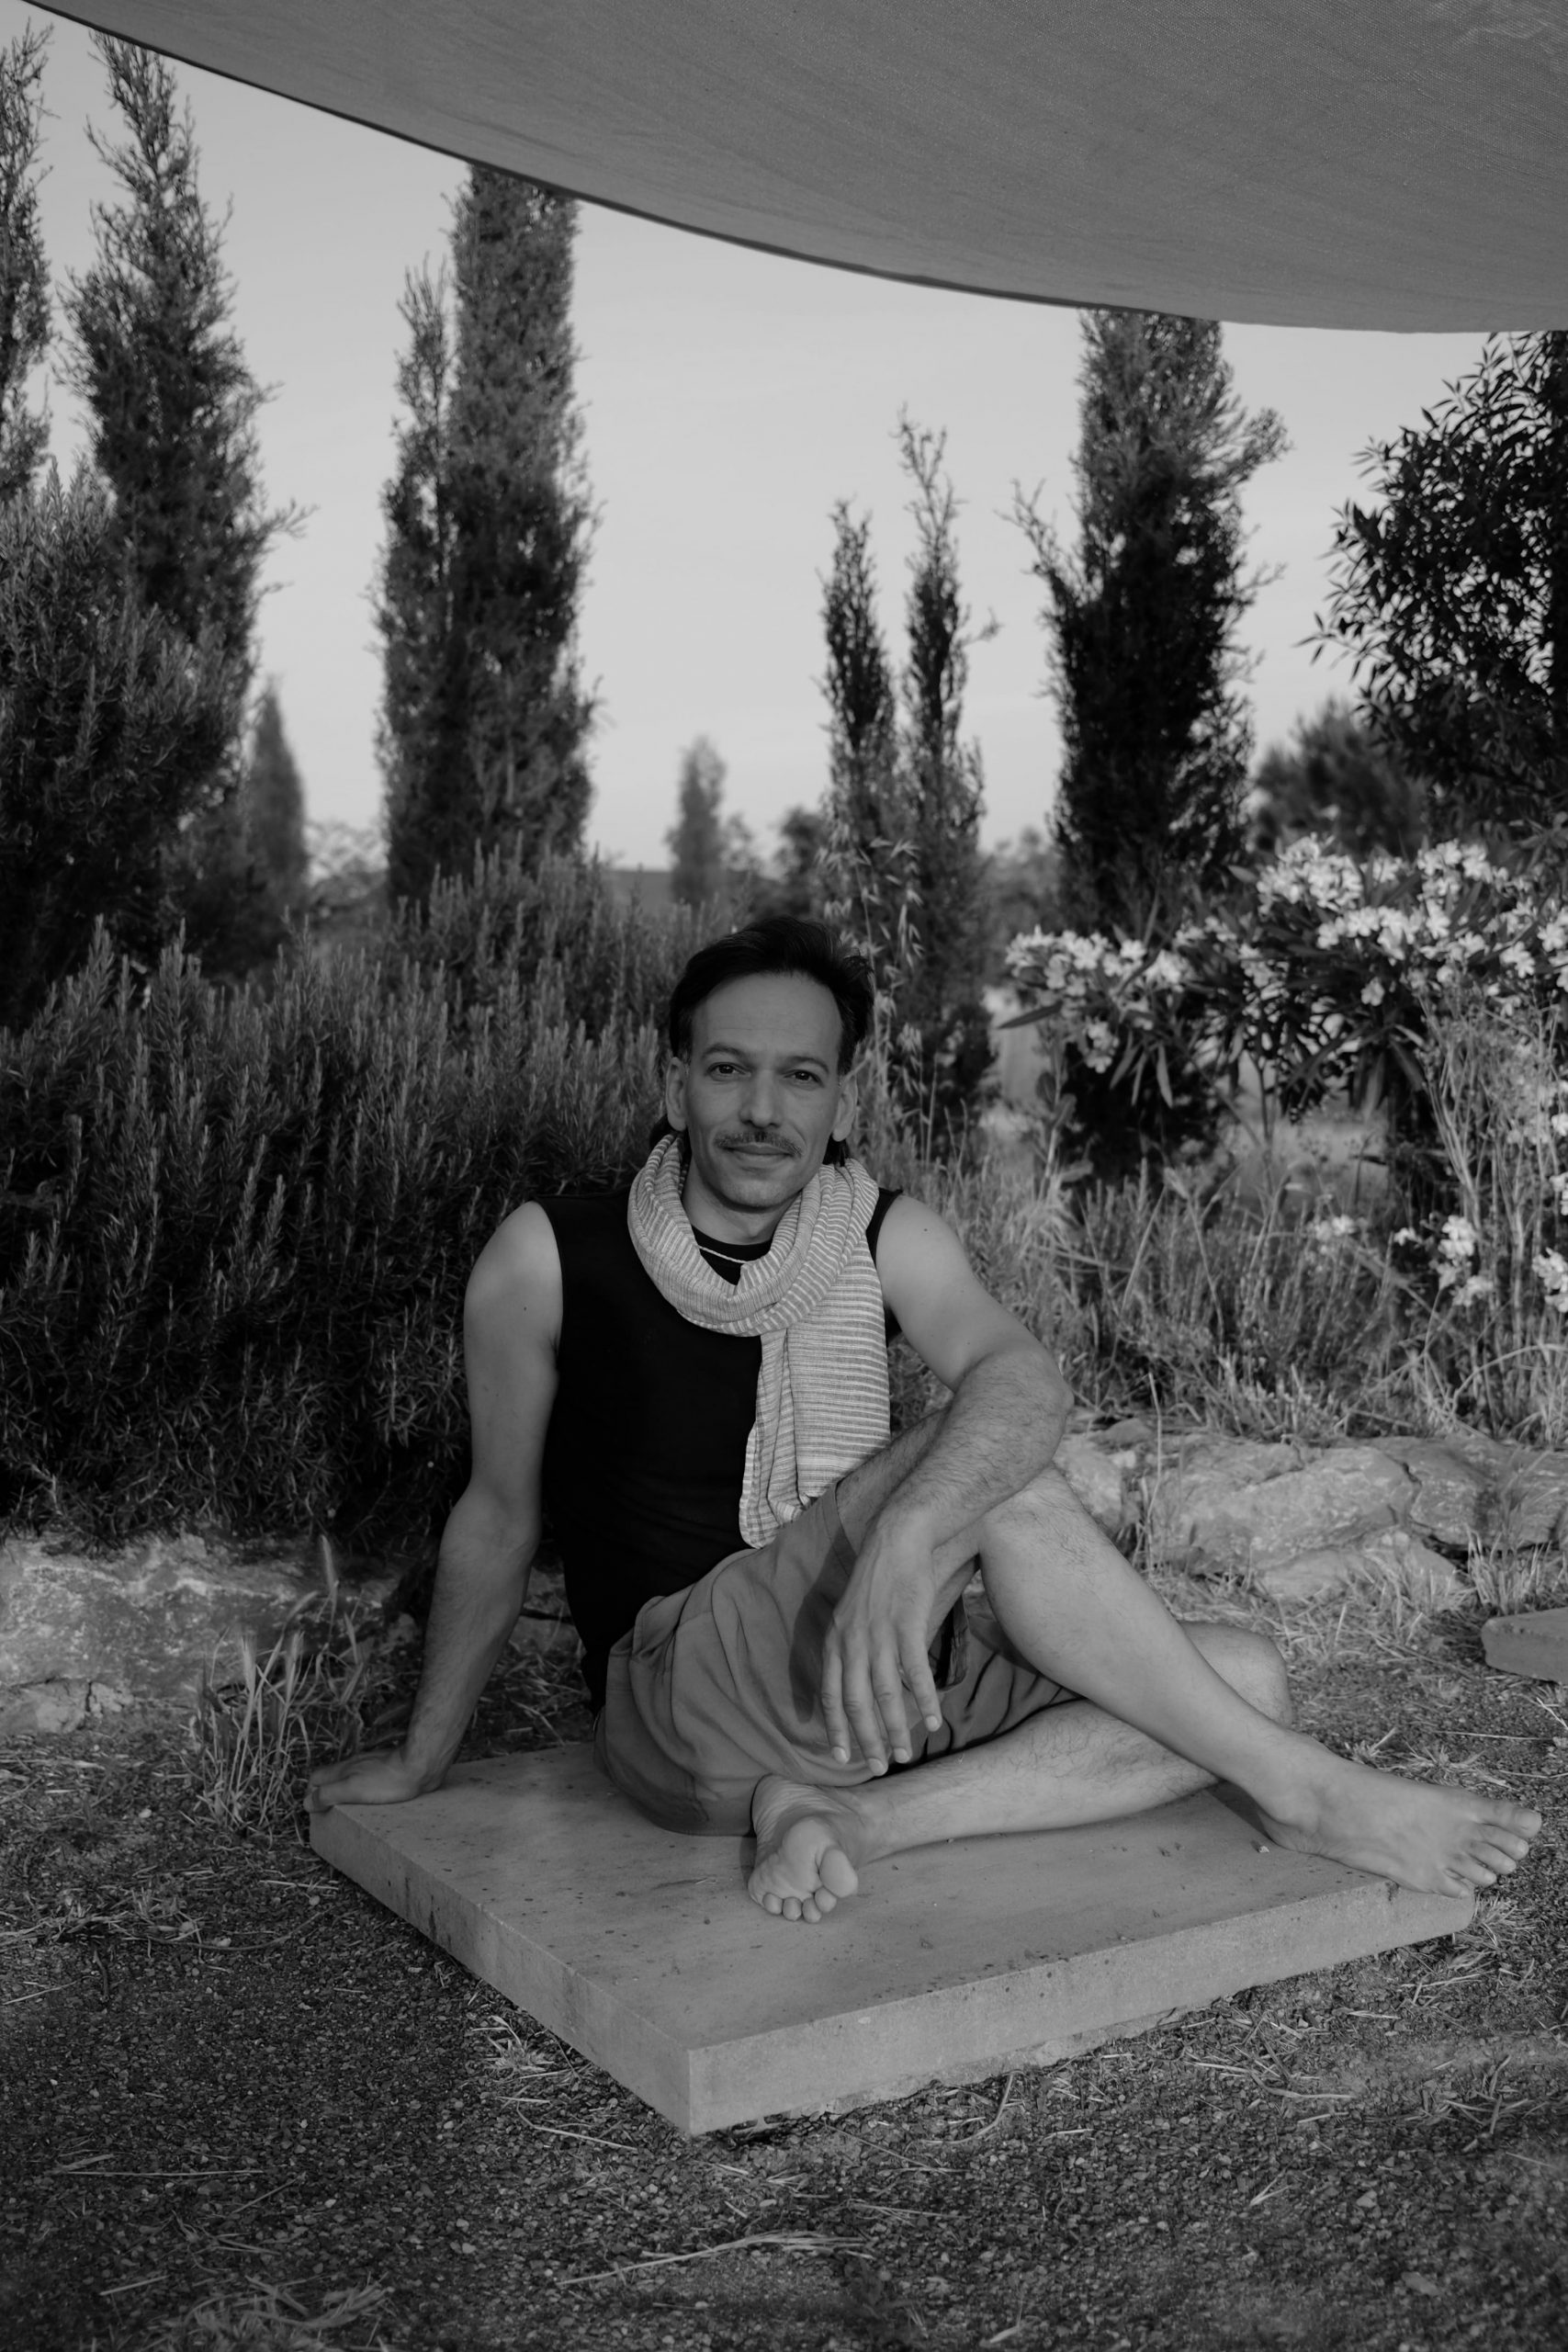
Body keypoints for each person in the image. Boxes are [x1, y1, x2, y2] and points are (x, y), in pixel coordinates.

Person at [308, 918, 1540, 1925]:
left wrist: (904, 1544)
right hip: (684, 1696)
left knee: (1243, 1678)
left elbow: (1026, 1380)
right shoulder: (549, 1254)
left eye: (801, 1076)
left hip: (875, 1686)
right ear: (672, 1084)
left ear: (843, 1103)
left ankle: (855, 1820)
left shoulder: (883, 1230)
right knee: (996, 1474)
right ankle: (1310, 1796)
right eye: (728, 1069)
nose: (762, 1108)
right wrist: (423, 1757)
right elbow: (498, 1513)